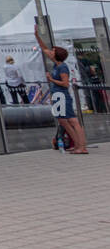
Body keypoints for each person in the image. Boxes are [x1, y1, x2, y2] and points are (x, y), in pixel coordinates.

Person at [35, 26, 88, 154]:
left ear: (57, 54)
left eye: (53, 51)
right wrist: (37, 36)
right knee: (62, 120)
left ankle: (82, 146)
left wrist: (51, 80)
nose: (50, 52)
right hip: (57, 95)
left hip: (62, 95)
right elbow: (44, 49)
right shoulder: (56, 64)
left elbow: (65, 84)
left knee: (72, 120)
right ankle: (76, 144)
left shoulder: (62, 68)